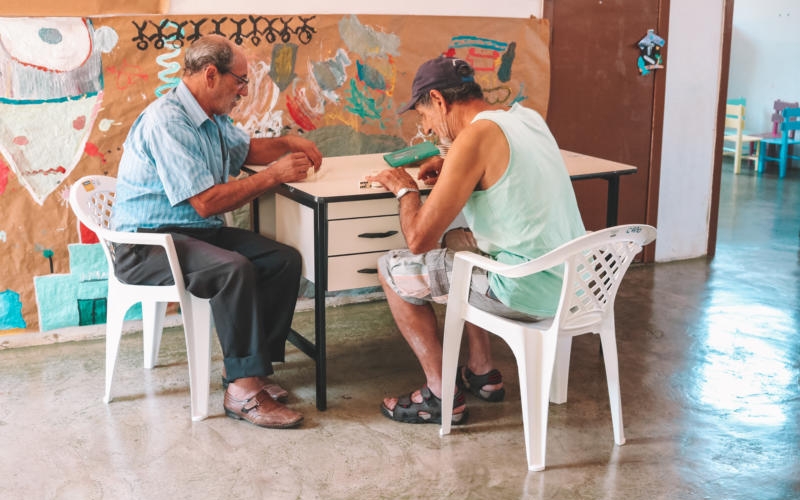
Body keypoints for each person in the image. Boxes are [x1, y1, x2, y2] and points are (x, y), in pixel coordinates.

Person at [111, 35, 323, 429]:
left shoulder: (211, 117)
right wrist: (275, 176)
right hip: (146, 244)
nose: (244, 91)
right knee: (233, 269)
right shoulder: (168, 120)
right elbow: (206, 202)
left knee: (282, 260)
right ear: (211, 74)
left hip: (191, 234)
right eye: (240, 81)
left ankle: (251, 371)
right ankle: (242, 394)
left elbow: (247, 151)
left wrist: (287, 143)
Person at [367, 56, 586, 425]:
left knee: (391, 268)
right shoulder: (526, 118)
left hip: (526, 290)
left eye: (423, 118)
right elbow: (493, 162)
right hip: (574, 282)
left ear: (438, 100)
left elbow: (419, 239)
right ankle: (482, 371)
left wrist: (406, 191)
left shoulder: (474, 138)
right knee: (459, 242)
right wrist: (453, 162)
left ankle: (439, 393)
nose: (428, 129)